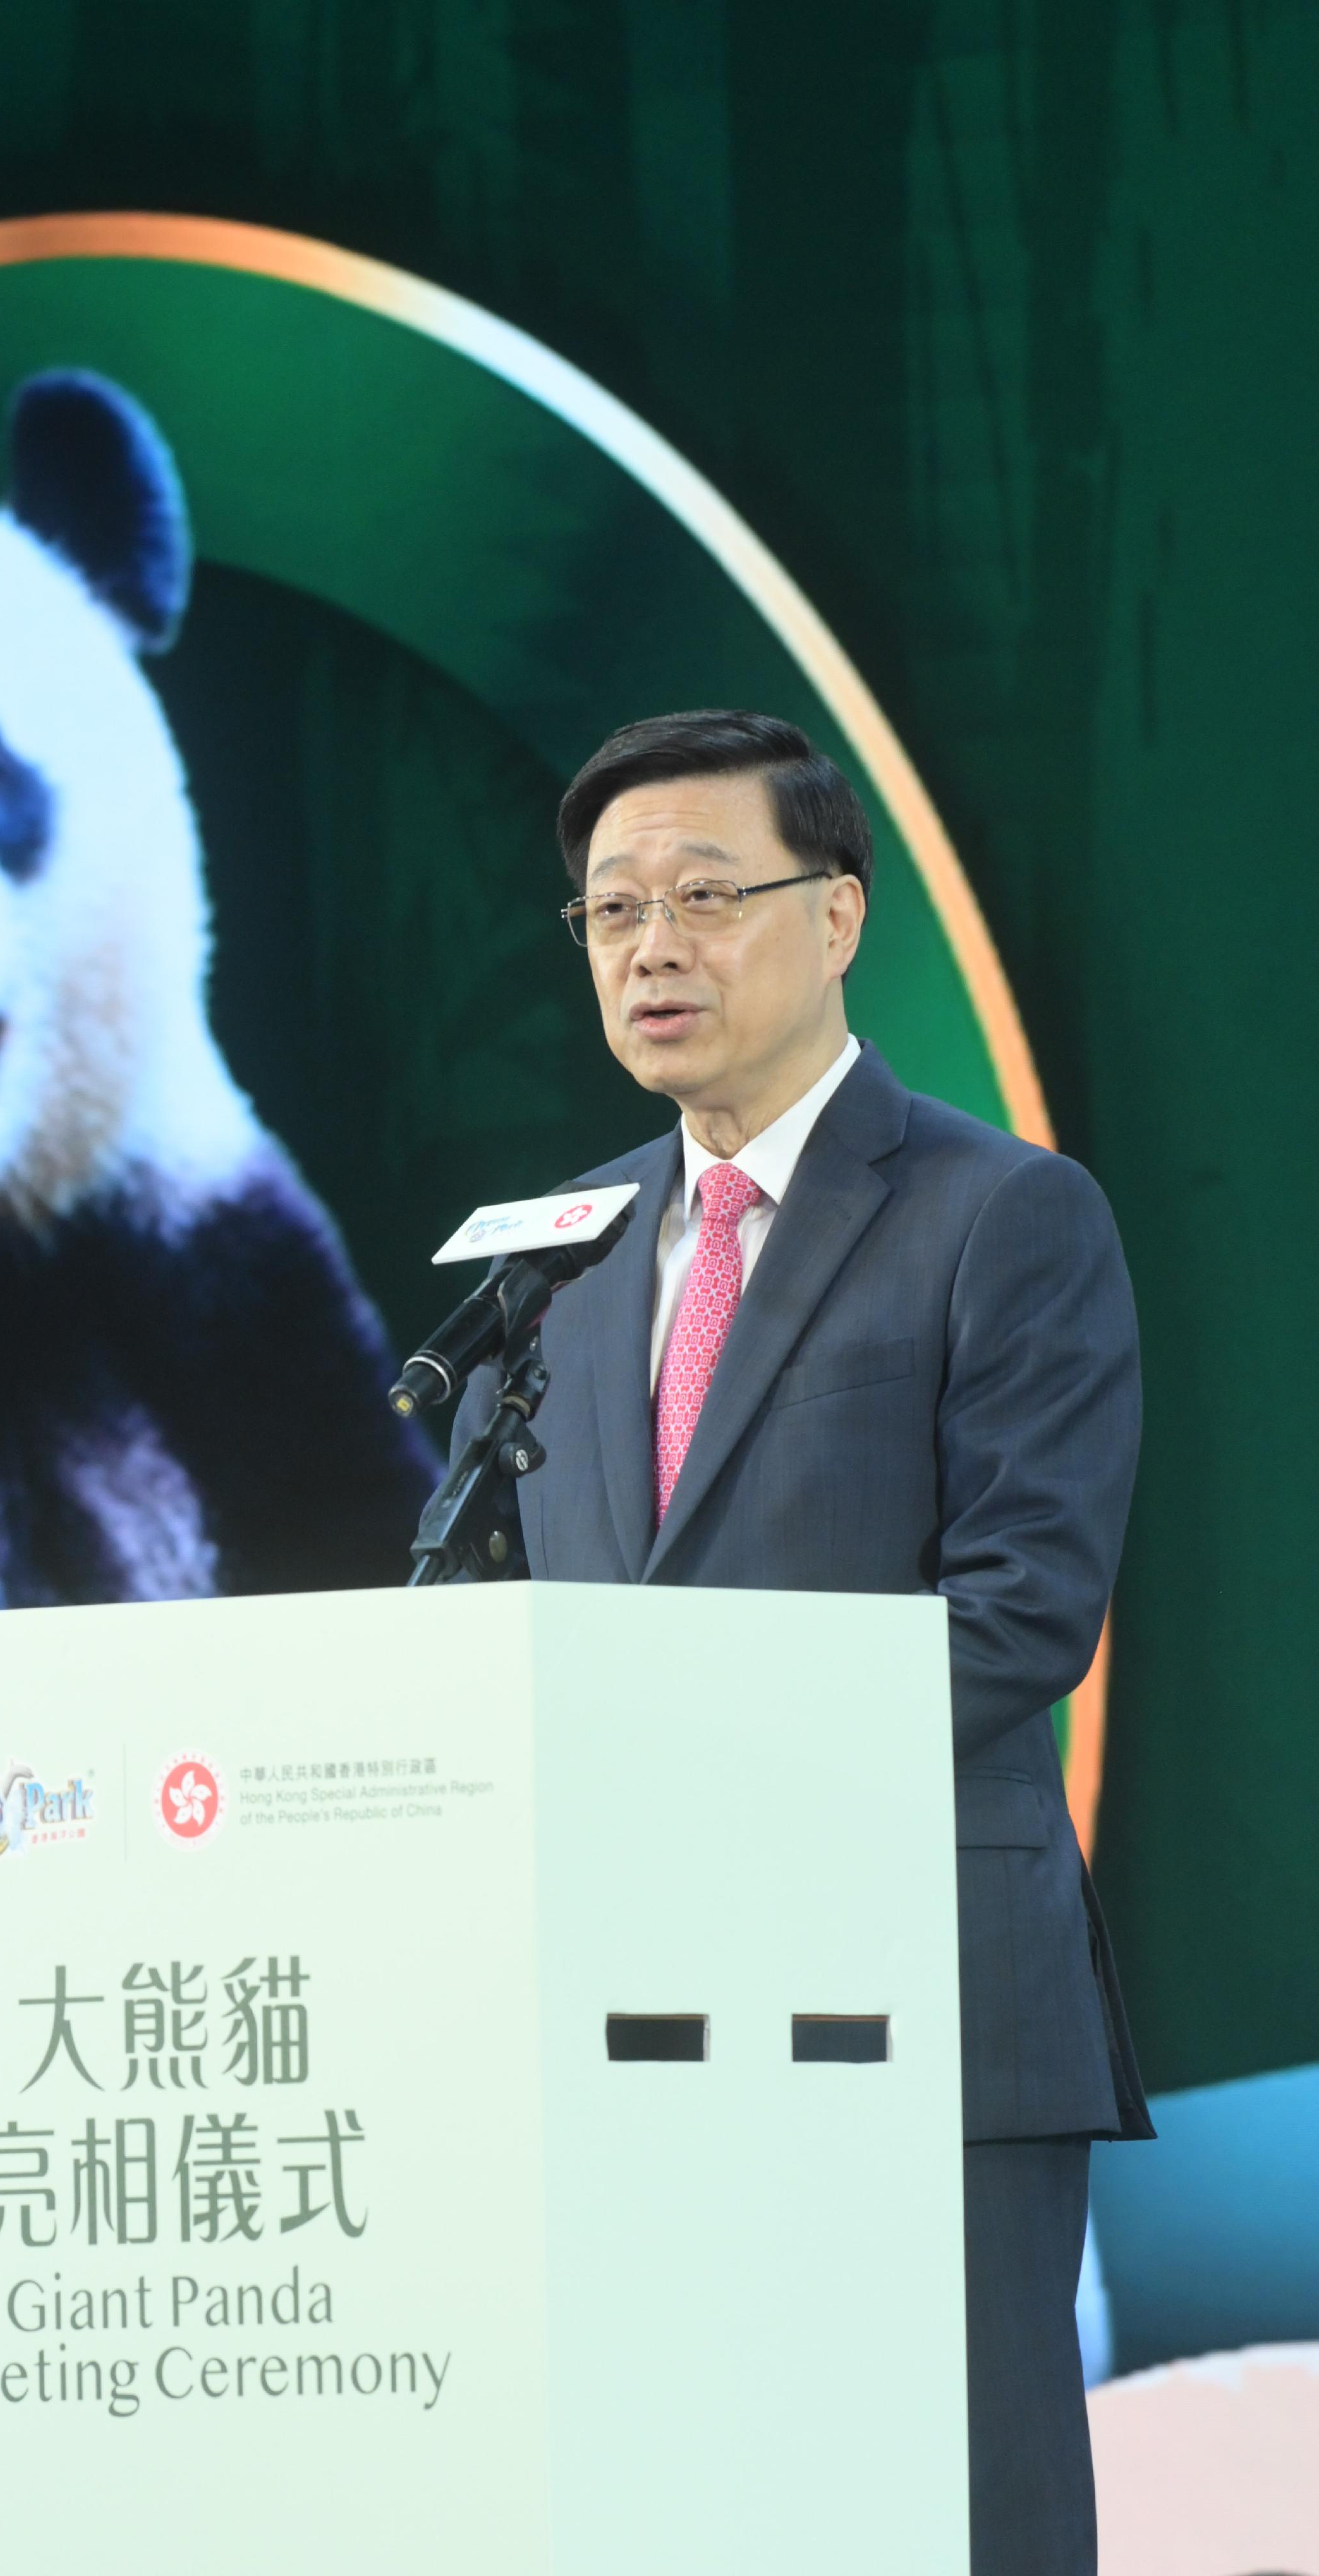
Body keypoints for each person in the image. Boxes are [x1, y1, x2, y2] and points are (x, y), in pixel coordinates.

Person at [458, 708, 1149, 2576]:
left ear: (837, 915)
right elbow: (491, 1625)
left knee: (952, 2517)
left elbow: (1024, 1613)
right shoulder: (567, 1259)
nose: (651, 949)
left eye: (703, 896)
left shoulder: (1001, 1215)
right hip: (622, 2021)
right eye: (607, 914)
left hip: (911, 1995)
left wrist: (680, 1752)